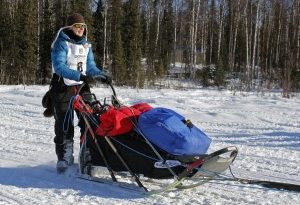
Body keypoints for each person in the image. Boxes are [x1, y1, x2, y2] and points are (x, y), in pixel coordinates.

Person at [50, 13, 111, 173]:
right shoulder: (61, 43)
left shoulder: (86, 45)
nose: (80, 29)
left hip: (82, 87)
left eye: (83, 26)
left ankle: (87, 154)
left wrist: (102, 76)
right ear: (70, 27)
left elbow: (90, 66)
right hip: (63, 87)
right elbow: (59, 67)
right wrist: (80, 76)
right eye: (77, 26)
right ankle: (64, 156)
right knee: (64, 122)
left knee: (89, 119)